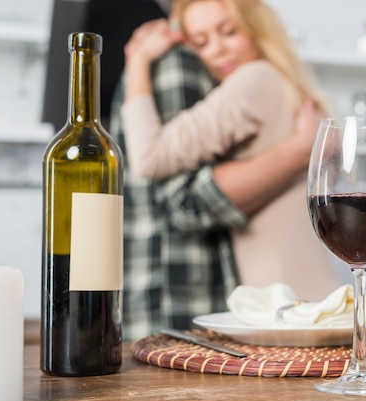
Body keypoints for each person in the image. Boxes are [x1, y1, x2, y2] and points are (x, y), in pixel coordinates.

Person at [121, 0, 339, 303]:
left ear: (257, 29)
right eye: (201, 41)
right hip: (307, 288)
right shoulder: (283, 84)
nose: (217, 50)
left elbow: (148, 158)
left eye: (229, 32)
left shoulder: (255, 80)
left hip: (282, 297)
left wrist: (138, 62)